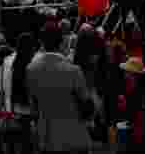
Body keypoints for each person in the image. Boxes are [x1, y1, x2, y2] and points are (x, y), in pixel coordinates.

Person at [26, 21, 94, 154]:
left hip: (47, 139)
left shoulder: (31, 70)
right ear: (62, 42)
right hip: (74, 136)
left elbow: (33, 107)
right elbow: (87, 105)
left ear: (41, 42)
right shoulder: (73, 70)